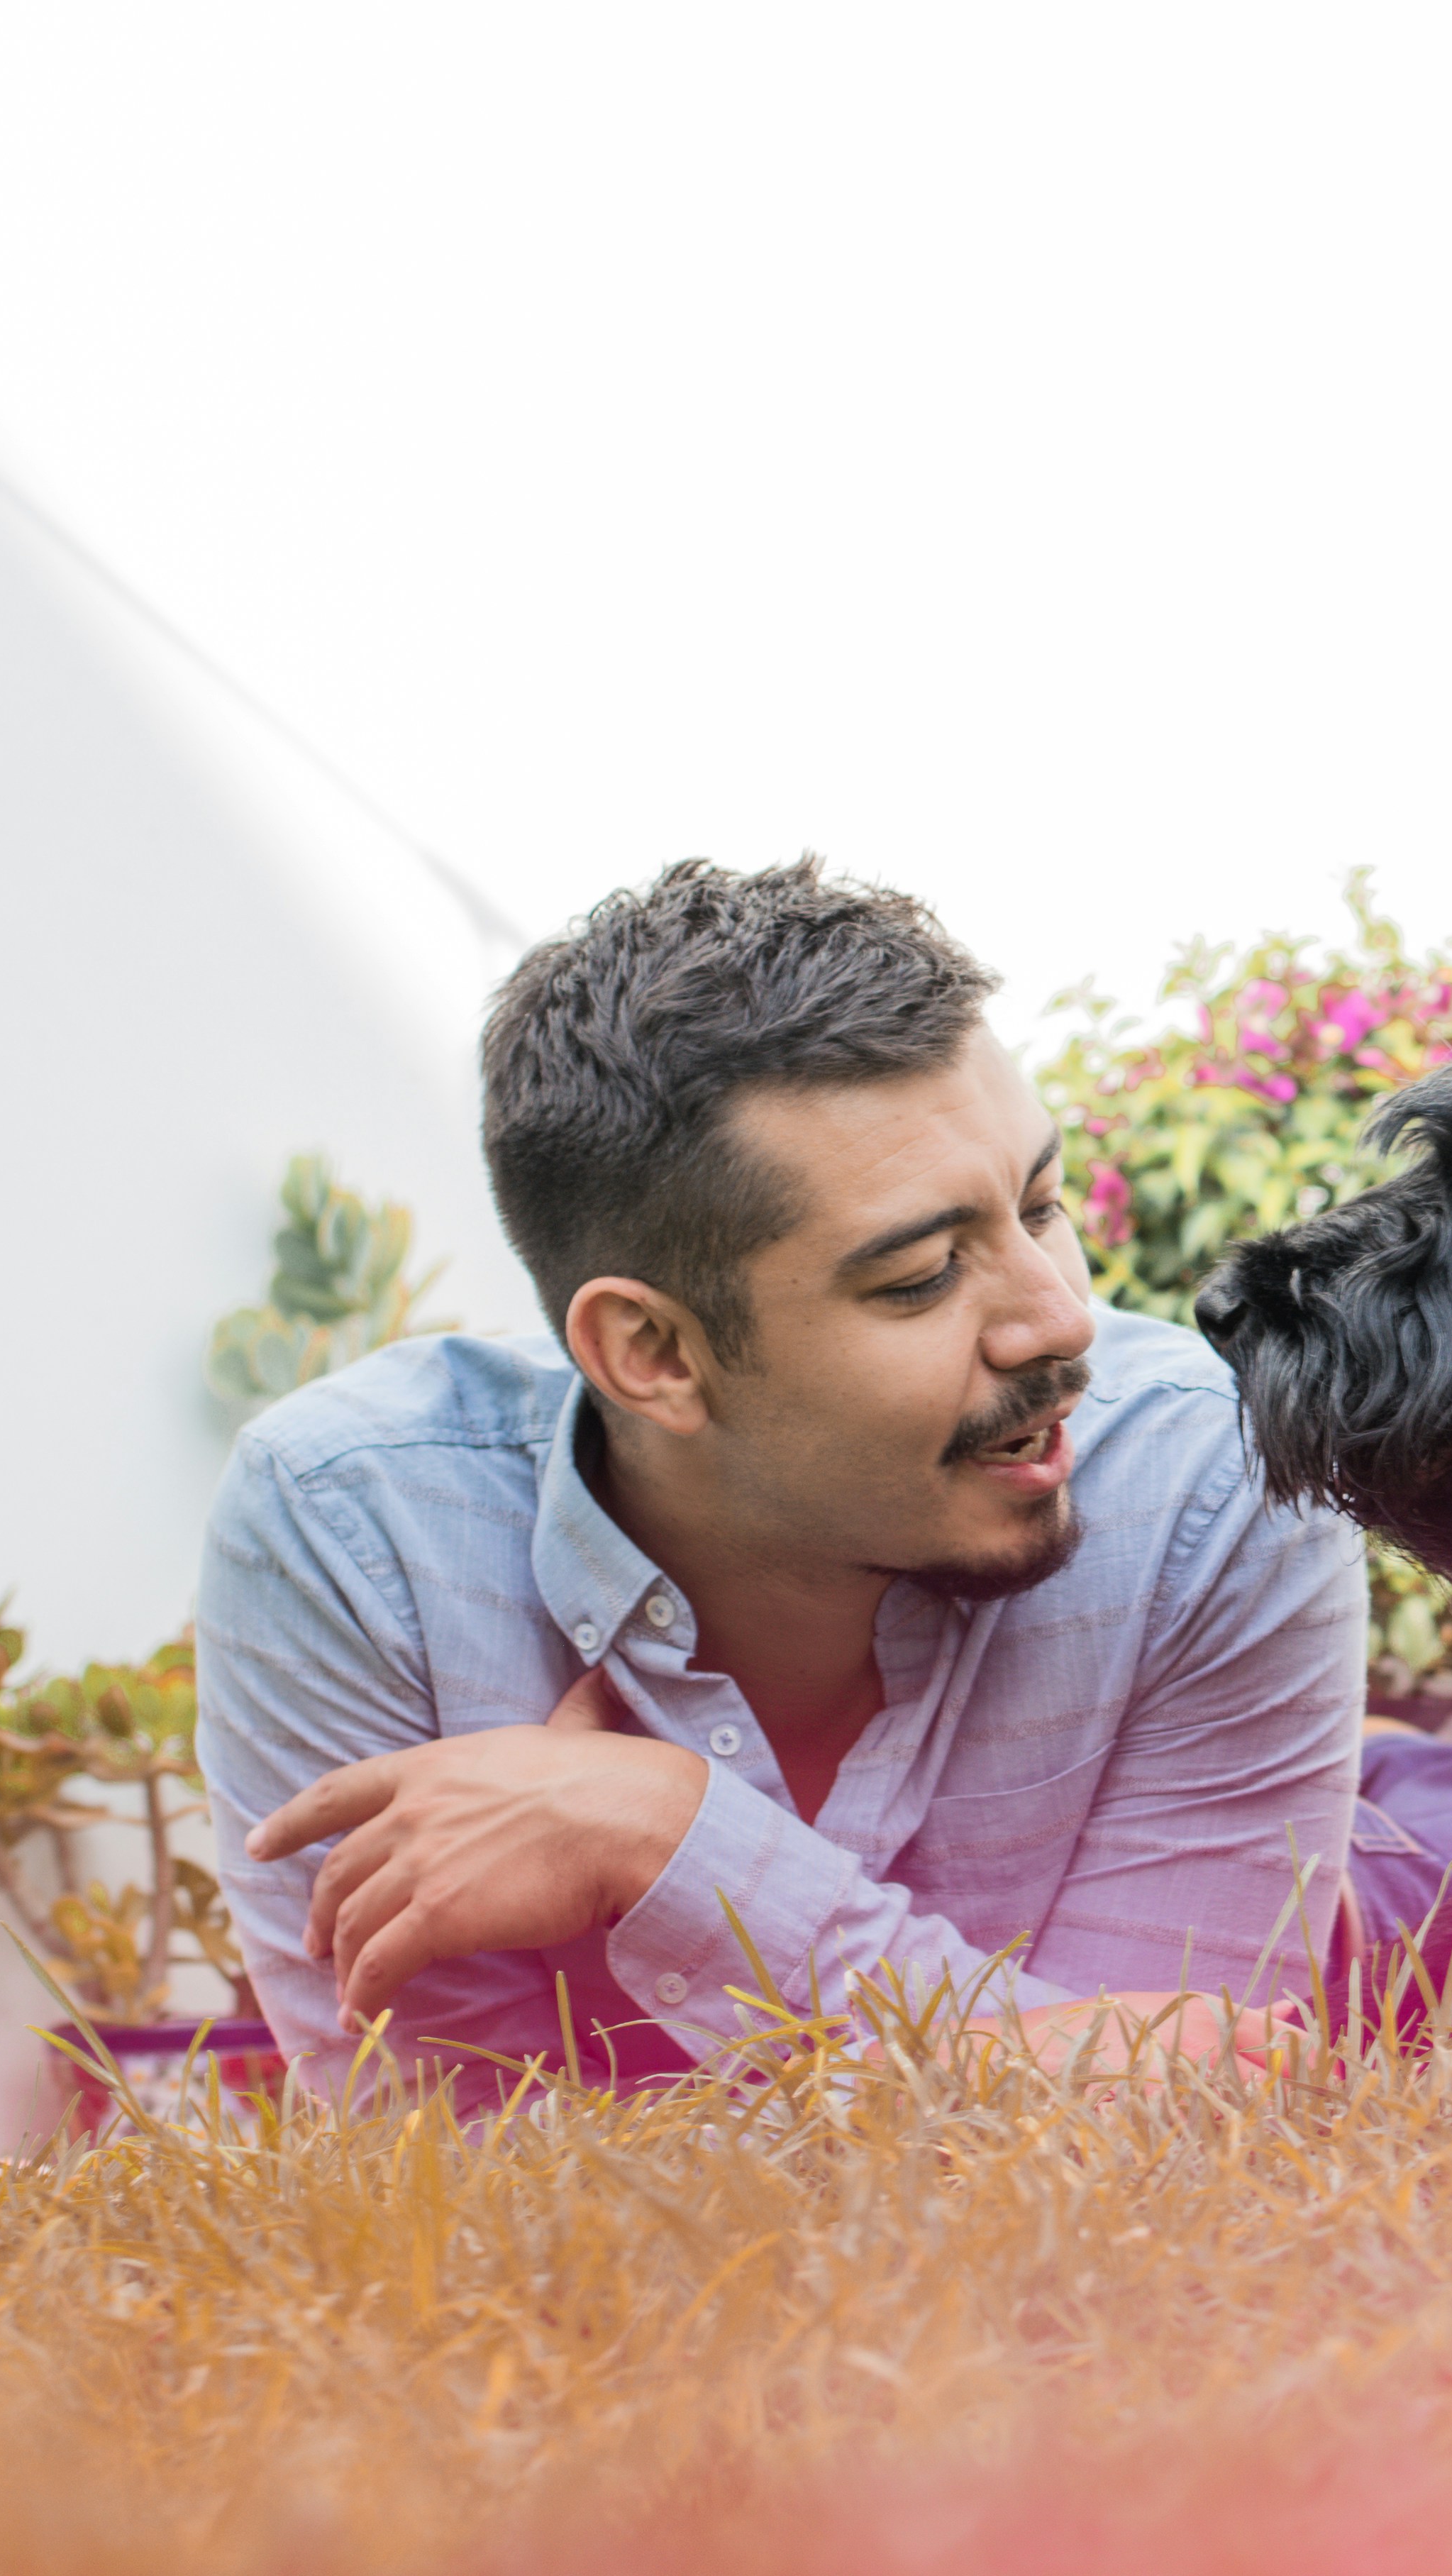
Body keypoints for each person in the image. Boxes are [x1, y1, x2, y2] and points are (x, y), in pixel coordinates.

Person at [201, 858, 1365, 2099]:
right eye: (921, 1277)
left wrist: (667, 1839)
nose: (1061, 1320)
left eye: (1040, 1206)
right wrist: (1015, 2064)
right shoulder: (350, 1535)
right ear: (654, 1354)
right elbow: (452, 2173)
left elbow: (1184, 2122)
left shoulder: (1212, 1479)